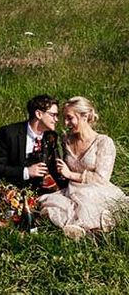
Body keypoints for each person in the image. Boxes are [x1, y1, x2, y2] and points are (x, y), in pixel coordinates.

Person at [38, 96, 129, 239]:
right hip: (72, 189)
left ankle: (90, 228)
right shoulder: (66, 140)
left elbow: (101, 178)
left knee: (86, 201)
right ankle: (86, 230)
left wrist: (69, 175)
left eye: (70, 118)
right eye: (64, 118)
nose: (66, 123)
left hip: (97, 189)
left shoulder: (104, 142)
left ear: (85, 116)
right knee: (49, 202)